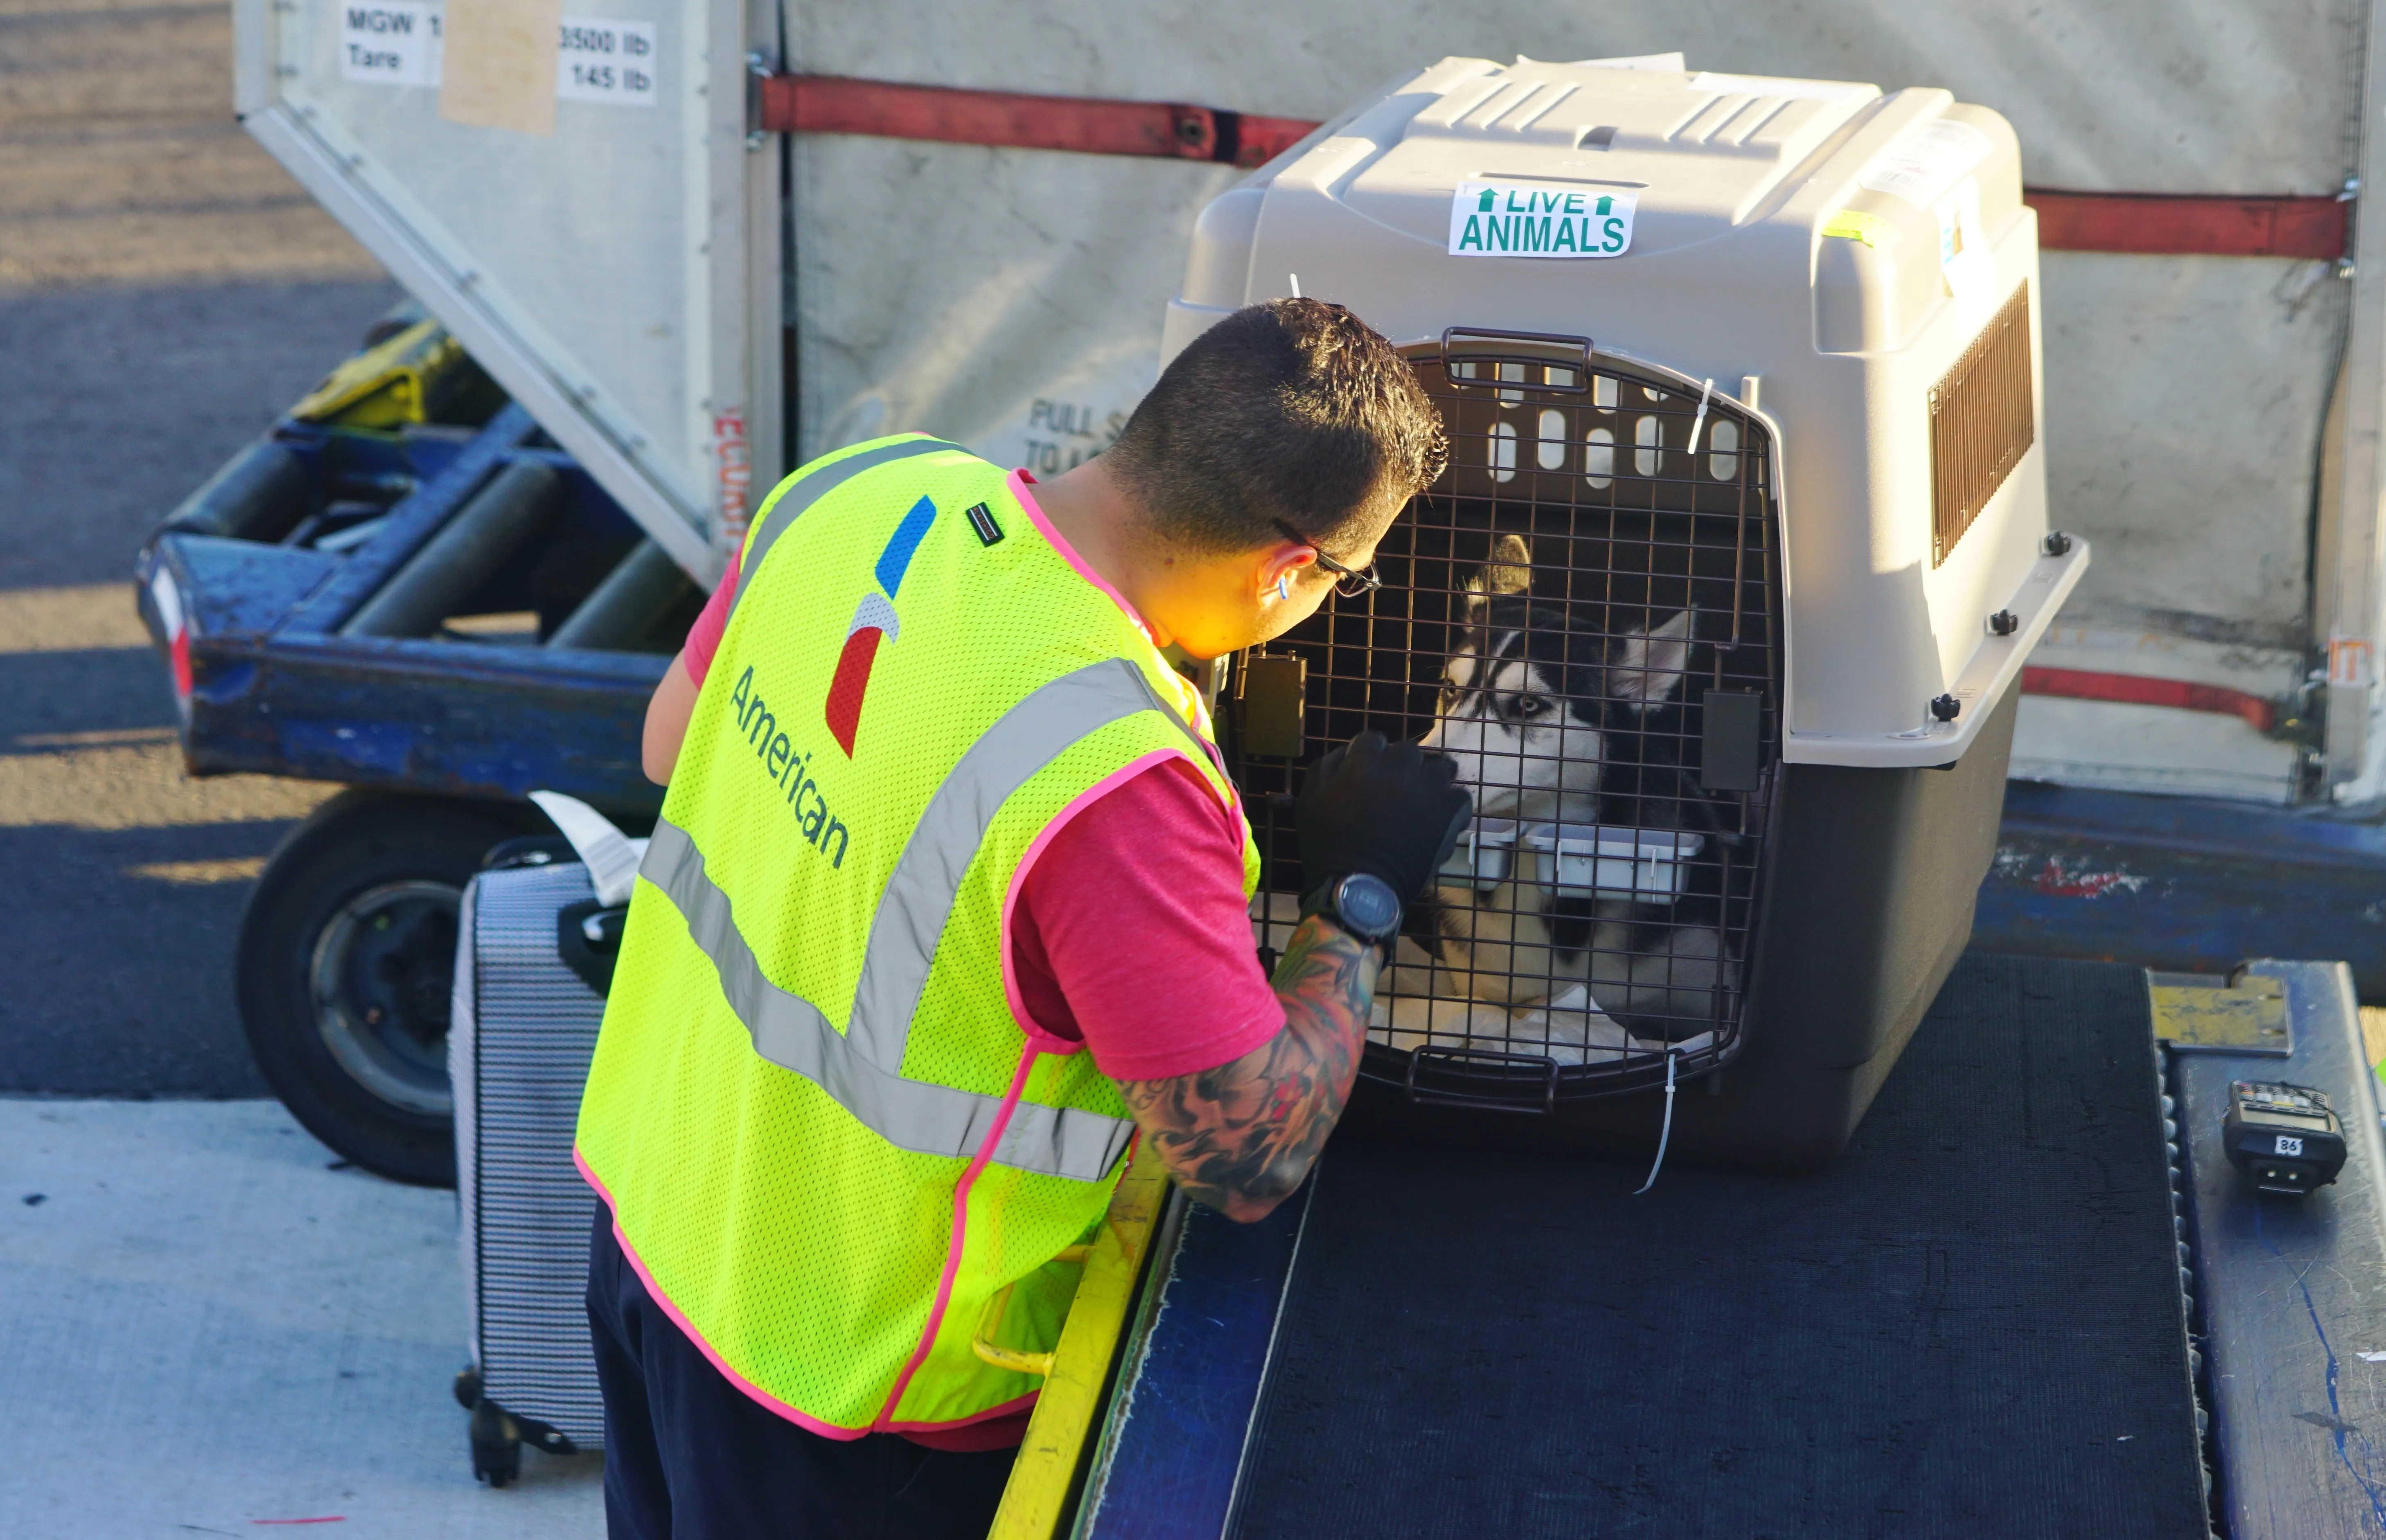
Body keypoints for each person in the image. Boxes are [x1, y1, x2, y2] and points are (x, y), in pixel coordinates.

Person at [576, 298, 1468, 1539]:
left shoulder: (860, 488)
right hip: (857, 1398)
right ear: (1286, 569)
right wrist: (1359, 893)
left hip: (657, 1236)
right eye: (1345, 585)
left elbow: (671, 748)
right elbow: (1245, 1154)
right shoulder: (1115, 773)